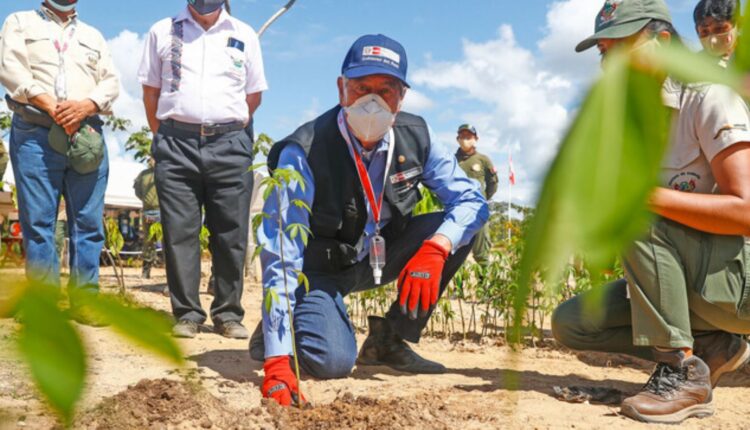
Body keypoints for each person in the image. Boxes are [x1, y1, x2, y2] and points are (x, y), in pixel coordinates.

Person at [252, 34, 489, 406]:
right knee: (333, 361)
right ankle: (284, 326)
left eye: (386, 90)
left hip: (378, 257)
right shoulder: (304, 150)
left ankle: (389, 341)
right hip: (321, 270)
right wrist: (278, 362)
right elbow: (281, 250)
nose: (372, 101)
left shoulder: (417, 137)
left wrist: (437, 247)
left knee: (456, 230)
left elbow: (472, 199)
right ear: (341, 89)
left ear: (402, 97)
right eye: (361, 87)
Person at [552, 0, 750, 424]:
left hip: (739, 283)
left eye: (623, 47)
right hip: (699, 283)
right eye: (606, 53)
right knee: (573, 323)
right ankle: (712, 349)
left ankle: (681, 373)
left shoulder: (708, 97)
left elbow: (746, 210)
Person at [138, 0, 267, 339]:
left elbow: (253, 96)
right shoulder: (162, 31)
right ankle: (187, 314)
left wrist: (225, 128)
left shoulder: (245, 34)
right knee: (179, 232)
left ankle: (228, 314)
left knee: (231, 233)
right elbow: (150, 91)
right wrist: (167, 133)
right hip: (175, 143)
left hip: (230, 143)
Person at [0, 0, 119, 324]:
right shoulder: (19, 22)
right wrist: (53, 107)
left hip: (86, 137)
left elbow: (111, 82)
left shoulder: (93, 36)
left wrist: (85, 105)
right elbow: (11, 69)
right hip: (35, 134)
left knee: (89, 223)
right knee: (38, 223)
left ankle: (85, 302)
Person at [455, 124, 498, 264]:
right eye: (462, 136)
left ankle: (484, 284)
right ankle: (457, 286)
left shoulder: (483, 160)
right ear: (457, 139)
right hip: (457, 210)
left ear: (476, 139)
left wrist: (484, 198)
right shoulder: (452, 160)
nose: (465, 139)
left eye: (468, 137)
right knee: (456, 254)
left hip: (478, 210)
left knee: (481, 253)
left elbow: (493, 183)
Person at [133, 158, 159, 279]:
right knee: (148, 241)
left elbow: (138, 192)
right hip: (150, 212)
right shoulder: (143, 174)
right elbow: (137, 191)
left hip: (161, 212)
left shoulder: (163, 171)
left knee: (164, 241)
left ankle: (170, 271)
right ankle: (146, 270)